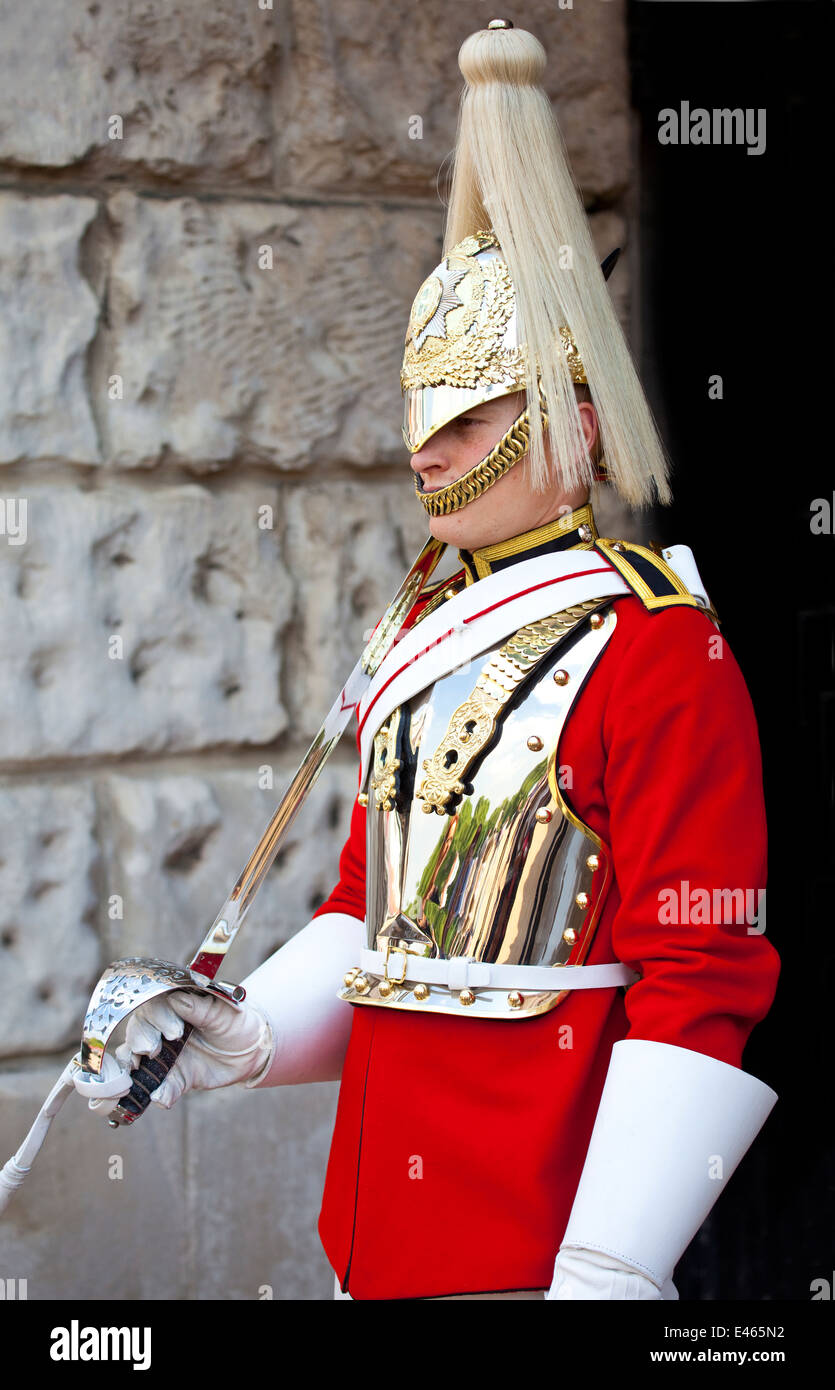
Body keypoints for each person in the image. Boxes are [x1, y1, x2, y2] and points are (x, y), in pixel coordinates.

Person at [111, 20, 780, 1301]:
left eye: (468, 414)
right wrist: (241, 1033)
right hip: (376, 1228)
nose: (427, 450)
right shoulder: (423, 627)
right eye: (421, 414)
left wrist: (609, 1264)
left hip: (546, 1230)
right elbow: (373, 914)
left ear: (568, 420)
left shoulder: (658, 644)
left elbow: (705, 970)